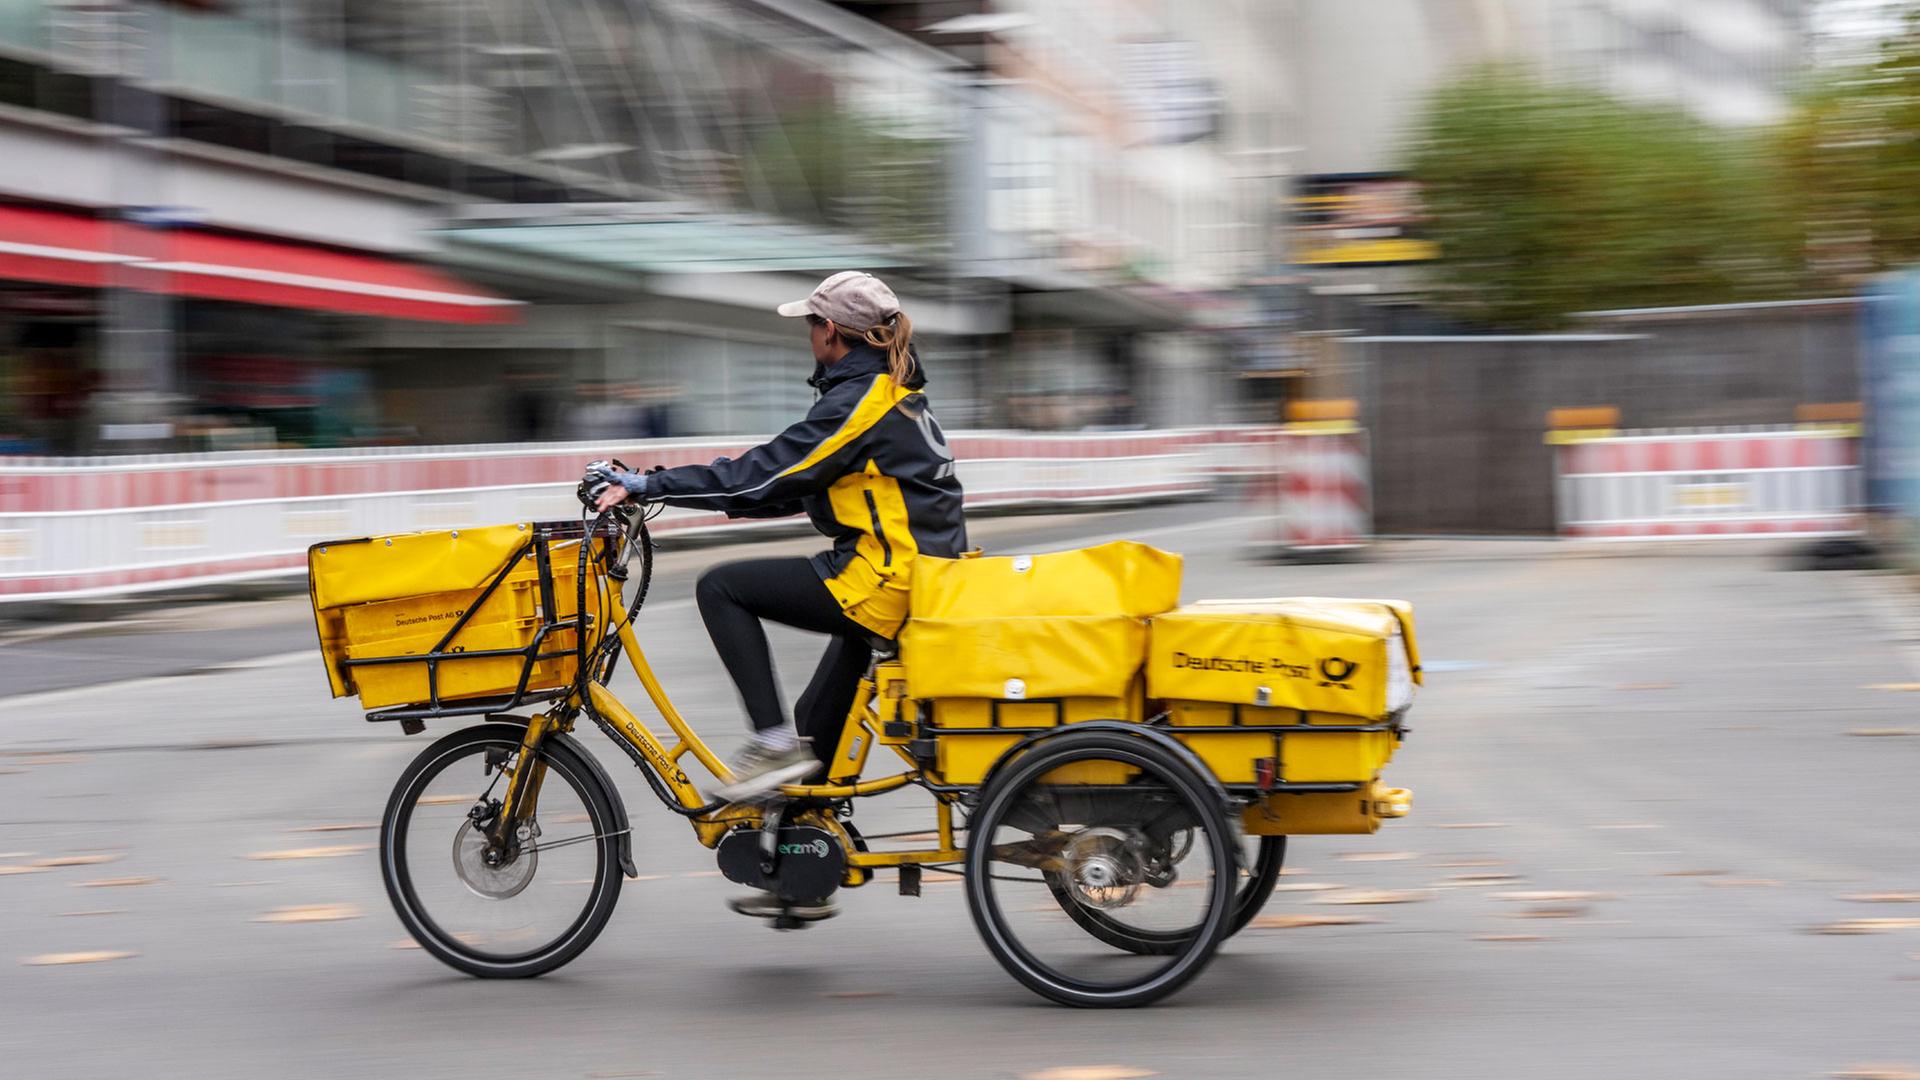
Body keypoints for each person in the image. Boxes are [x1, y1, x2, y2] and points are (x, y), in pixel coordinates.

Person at [587, 272, 966, 916]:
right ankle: (796, 867)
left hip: (885, 579)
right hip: (914, 578)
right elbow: (791, 486)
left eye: (810, 326)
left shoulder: (863, 400)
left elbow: (770, 470)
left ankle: (768, 743)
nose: (806, 337)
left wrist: (648, 486)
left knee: (723, 587)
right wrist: (677, 492)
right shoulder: (889, 394)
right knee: (815, 740)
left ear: (832, 334)